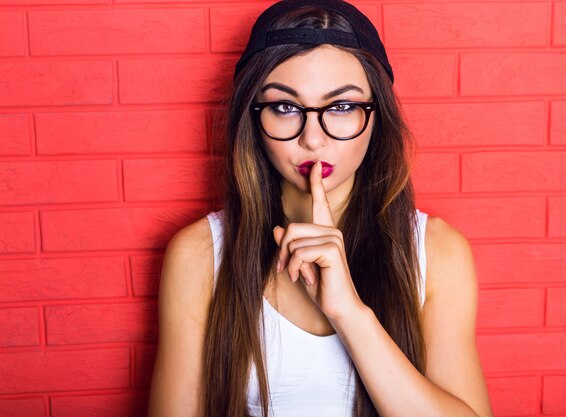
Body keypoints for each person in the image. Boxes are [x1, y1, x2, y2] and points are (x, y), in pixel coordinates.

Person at [147, 0, 494, 416]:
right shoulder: (200, 254)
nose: (313, 138)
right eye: (285, 107)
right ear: (252, 119)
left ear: (377, 116)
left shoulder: (436, 250)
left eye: (343, 107)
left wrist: (349, 313)